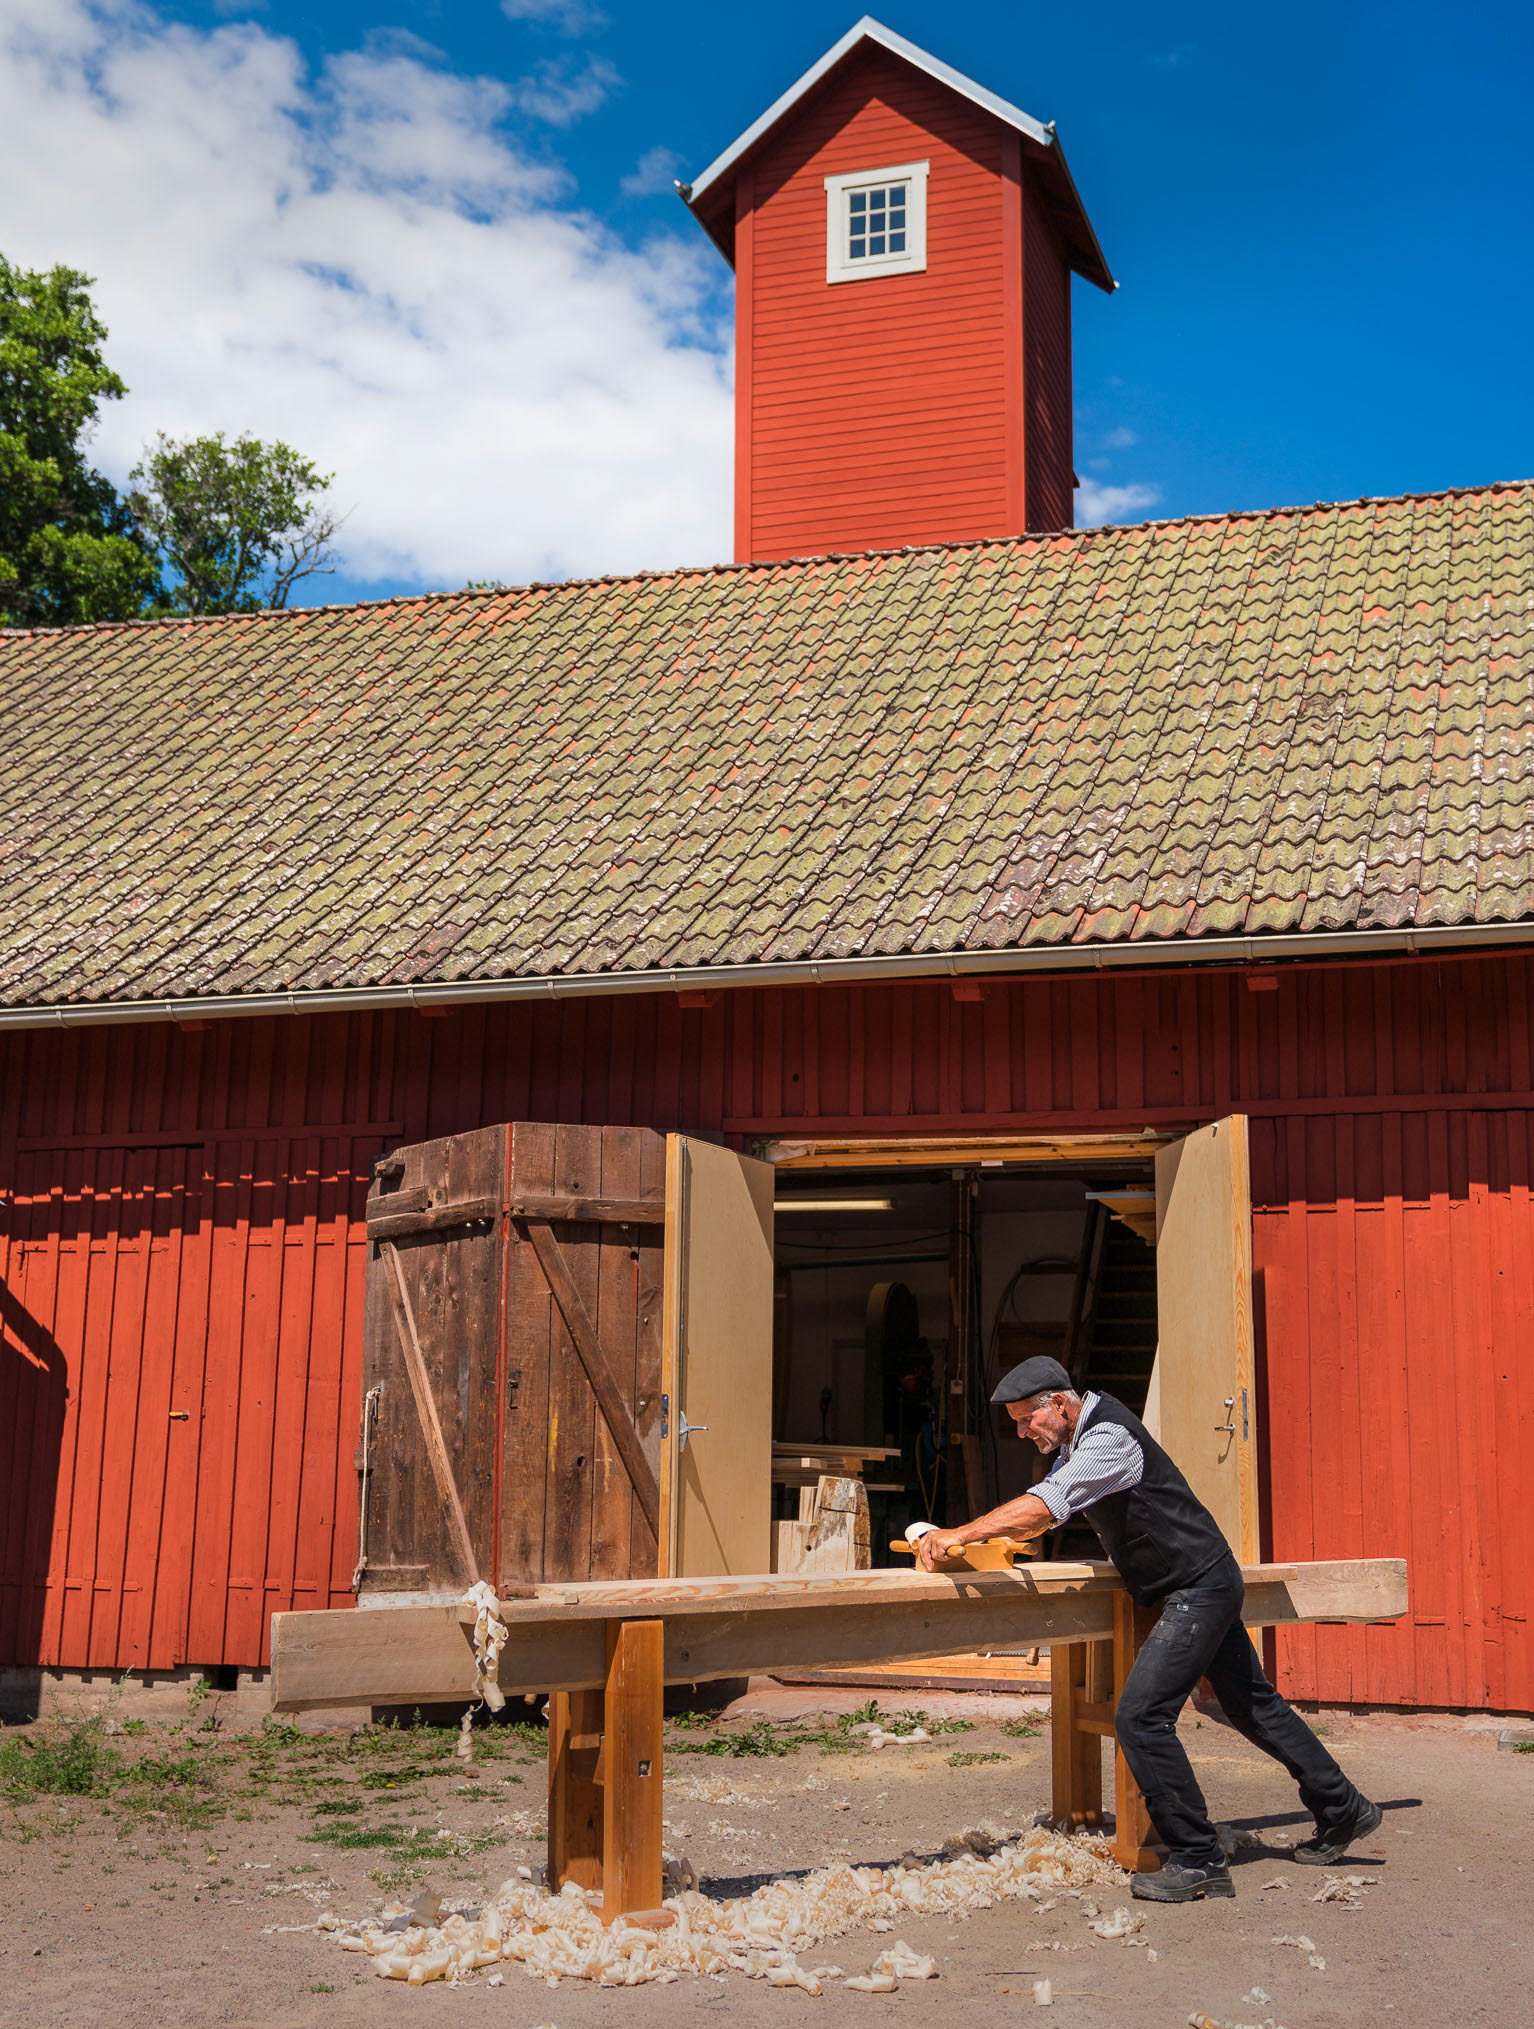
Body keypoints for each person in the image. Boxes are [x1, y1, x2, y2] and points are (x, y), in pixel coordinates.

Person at [916, 1355, 1380, 1902]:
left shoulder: (1108, 1438)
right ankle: (1343, 1807)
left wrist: (961, 1533)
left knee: (1139, 1717)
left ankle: (1198, 1857)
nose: (1021, 1432)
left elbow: (1045, 1507)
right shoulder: (1077, 1436)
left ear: (1058, 1404)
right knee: (1249, 1704)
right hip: (1198, 1579)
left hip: (1197, 1587)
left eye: (1026, 1420)